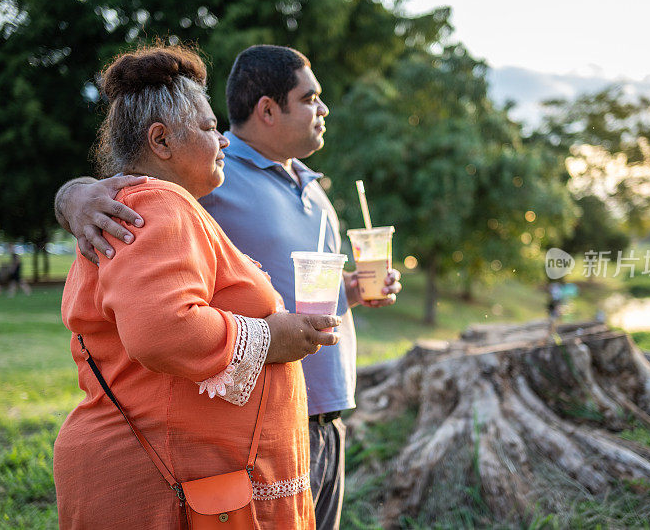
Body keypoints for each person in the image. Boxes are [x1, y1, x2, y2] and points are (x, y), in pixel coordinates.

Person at [55, 44, 402, 530]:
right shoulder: (166, 202)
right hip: (160, 479)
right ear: (161, 141)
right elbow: (162, 329)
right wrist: (272, 340)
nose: (220, 140)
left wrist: (351, 292)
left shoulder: (284, 188)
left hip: (289, 430)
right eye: (206, 127)